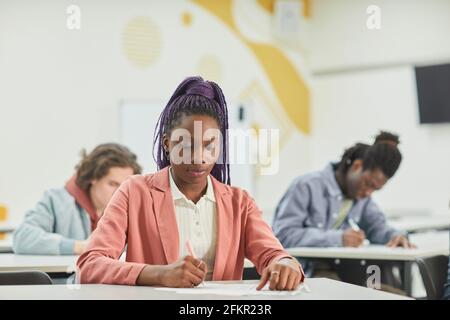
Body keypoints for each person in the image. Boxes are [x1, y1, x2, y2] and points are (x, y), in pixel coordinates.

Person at [77, 76, 304, 290]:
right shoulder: (135, 192)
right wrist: (159, 274)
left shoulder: (240, 202)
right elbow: (89, 265)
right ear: (167, 143)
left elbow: (273, 254)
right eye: (186, 144)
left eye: (209, 145)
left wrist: (285, 263)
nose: (198, 157)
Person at [272, 132, 414, 278]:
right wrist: (338, 238)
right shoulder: (306, 186)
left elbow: (377, 227)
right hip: (307, 273)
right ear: (357, 166)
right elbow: (283, 235)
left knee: (385, 281)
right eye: (368, 184)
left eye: (375, 189)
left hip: (344, 270)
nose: (368, 193)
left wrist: (395, 236)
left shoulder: (361, 197)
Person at [13, 143, 142, 255]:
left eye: (124, 185)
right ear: (93, 178)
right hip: (68, 281)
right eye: (112, 184)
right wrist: (79, 247)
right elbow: (22, 238)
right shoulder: (56, 200)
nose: (119, 191)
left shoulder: (130, 207)